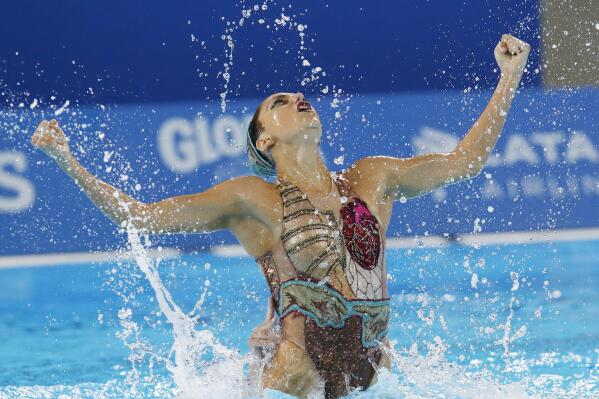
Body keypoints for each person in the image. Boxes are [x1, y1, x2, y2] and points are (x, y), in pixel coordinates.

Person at [32, 34, 530, 398]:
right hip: (293, 381)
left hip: (369, 377)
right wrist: (67, 161)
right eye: (279, 103)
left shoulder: (372, 179)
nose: (296, 99)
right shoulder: (254, 200)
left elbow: (465, 162)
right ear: (265, 140)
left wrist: (509, 78)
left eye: (297, 96)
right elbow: (139, 217)